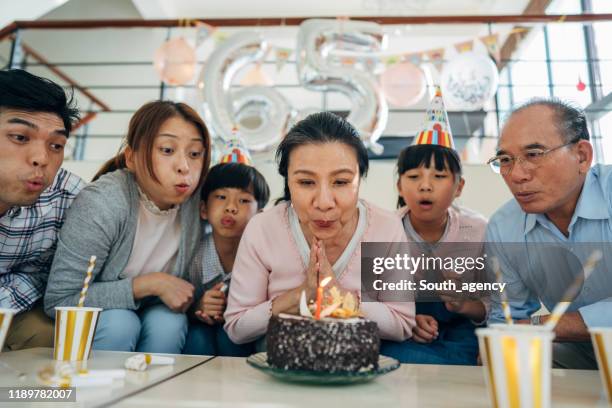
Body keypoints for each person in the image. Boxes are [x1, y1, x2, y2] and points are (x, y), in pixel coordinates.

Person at [224, 112, 415, 346]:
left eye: (341, 182)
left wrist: (340, 297)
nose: (324, 202)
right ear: (288, 183)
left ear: (359, 180)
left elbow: (403, 324)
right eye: (306, 182)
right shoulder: (263, 229)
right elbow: (236, 328)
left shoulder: (386, 229)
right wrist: (299, 297)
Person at [44, 100, 210, 354]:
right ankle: (94, 394)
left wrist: (203, 299)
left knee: (170, 323)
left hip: (158, 311)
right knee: (120, 323)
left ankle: (152, 394)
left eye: (195, 153)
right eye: (167, 150)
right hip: (108, 317)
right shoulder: (102, 202)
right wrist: (148, 284)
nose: (184, 166)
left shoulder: (197, 204)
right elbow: (60, 299)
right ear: (131, 157)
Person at [486, 97, 612, 369]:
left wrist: (544, 325)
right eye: (505, 159)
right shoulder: (503, 227)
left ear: (582, 156)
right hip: (580, 356)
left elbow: (528, 326)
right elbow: (507, 318)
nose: (517, 174)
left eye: (534, 154)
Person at [380, 88, 487, 365]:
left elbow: (498, 307)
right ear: (399, 187)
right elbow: (368, 300)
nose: (425, 185)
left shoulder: (478, 231)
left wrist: (465, 304)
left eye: (439, 176)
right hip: (401, 337)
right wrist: (406, 319)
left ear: (459, 187)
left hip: (462, 336)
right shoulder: (381, 230)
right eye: (414, 176)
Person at [0, 69, 85, 351]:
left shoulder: (68, 199)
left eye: (56, 145)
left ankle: (25, 397)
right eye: (20, 138)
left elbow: (48, 275)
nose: (41, 159)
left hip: (13, 306)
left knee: (49, 332)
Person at [184, 143, 270, 356]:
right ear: (203, 208)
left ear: (259, 216)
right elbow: (180, 301)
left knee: (230, 340)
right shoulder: (193, 256)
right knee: (196, 340)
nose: (231, 207)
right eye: (221, 197)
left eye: (243, 200)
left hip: (243, 331)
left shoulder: (263, 256)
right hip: (200, 328)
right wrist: (198, 306)